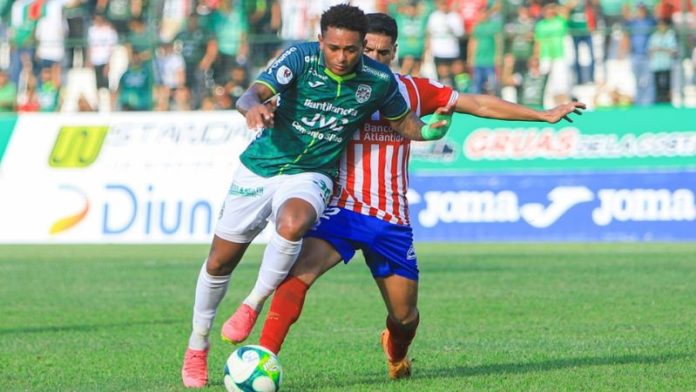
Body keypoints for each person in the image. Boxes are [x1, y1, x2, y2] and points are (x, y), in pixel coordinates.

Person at [240, 12, 586, 380]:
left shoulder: (411, 90)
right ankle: (262, 359)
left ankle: (396, 349)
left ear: (395, 53)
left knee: (405, 316)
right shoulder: (329, 85)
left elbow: (478, 104)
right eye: (367, 50)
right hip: (340, 208)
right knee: (298, 275)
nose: (373, 59)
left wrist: (542, 115)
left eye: (383, 53)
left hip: (390, 219)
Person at [181, 4, 454, 388]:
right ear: (320, 41)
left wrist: (428, 133)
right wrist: (254, 107)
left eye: (352, 50)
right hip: (262, 166)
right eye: (334, 48)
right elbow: (251, 94)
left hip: (313, 173)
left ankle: (252, 303)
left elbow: (403, 123)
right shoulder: (300, 58)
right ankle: (198, 345)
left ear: (362, 45)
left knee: (294, 224)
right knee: (220, 262)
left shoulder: (377, 79)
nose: (342, 58)